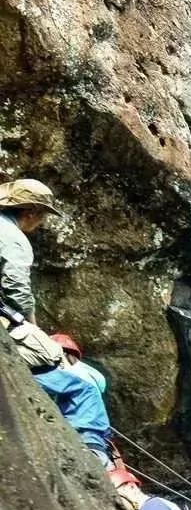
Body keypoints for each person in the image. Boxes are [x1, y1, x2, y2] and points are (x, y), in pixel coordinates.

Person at [33, 348, 112, 465]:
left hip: (83, 444)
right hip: (98, 449)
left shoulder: (76, 380)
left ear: (65, 355)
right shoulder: (93, 393)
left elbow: (37, 380)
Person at [0, 177, 58, 321]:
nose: (42, 221)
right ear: (31, 212)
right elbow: (17, 292)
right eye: (43, 214)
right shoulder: (15, 239)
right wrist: (33, 328)